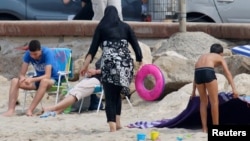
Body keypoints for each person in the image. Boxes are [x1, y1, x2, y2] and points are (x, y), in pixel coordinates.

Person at [80, 6, 143, 132]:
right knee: (117, 95)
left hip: (109, 65)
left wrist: (85, 66)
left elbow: (92, 50)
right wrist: (139, 62)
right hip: (125, 65)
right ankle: (118, 123)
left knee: (110, 96)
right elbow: (136, 47)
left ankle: (112, 127)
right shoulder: (126, 27)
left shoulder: (101, 27)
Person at [1, 40, 59, 117]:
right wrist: (22, 78)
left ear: (40, 50)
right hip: (38, 80)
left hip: (52, 79)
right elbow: (22, 74)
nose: (33, 56)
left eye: (35, 54)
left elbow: (47, 76)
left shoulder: (47, 53)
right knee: (15, 81)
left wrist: (31, 79)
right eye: (31, 54)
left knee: (44, 81)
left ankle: (30, 110)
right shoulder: (28, 54)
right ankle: (11, 110)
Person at [191, 43, 238, 133]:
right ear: (221, 53)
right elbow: (227, 72)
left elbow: (195, 76)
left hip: (198, 73)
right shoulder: (219, 57)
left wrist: (193, 91)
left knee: (203, 102)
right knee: (214, 102)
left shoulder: (202, 57)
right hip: (208, 72)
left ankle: (204, 128)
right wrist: (234, 89)